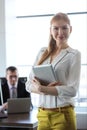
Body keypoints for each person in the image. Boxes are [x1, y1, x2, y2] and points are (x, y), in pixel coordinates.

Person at [26, 12, 81, 130]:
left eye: (64, 28)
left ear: (70, 29)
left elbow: (72, 90)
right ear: (50, 30)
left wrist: (43, 88)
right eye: (56, 28)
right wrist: (41, 89)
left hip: (63, 115)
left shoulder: (74, 54)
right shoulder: (42, 52)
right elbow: (28, 84)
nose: (60, 33)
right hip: (42, 115)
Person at [0, 66, 32, 130]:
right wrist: (2, 107)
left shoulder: (25, 87)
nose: (13, 79)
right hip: (6, 119)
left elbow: (30, 105)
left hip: (22, 119)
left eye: (15, 76)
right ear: (6, 77)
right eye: (11, 77)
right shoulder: (1, 88)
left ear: (18, 76)